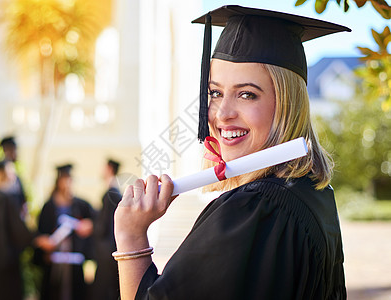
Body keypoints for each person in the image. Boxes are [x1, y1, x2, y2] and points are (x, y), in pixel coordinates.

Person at [113, 5, 349, 300]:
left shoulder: (257, 208)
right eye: (215, 92)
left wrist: (131, 236)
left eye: (247, 94)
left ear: (288, 103)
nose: (222, 114)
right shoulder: (312, 192)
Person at [0, 160, 54, 300]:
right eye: (10, 173)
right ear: (1, 175)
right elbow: (17, 229)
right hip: (4, 263)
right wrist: (36, 238)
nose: (13, 178)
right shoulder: (2, 199)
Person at [34, 163, 97, 300]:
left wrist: (89, 225)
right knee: (53, 291)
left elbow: (96, 222)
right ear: (58, 182)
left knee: (75, 292)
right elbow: (40, 232)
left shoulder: (81, 204)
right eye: (64, 179)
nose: (68, 183)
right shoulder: (49, 206)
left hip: (74, 259)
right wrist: (44, 244)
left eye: (70, 180)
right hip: (54, 258)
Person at [93, 159, 123, 300]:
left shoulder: (111, 193)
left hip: (107, 252)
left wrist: (91, 226)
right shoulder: (116, 192)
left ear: (110, 169)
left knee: (104, 291)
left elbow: (102, 226)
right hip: (112, 249)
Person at [0, 136, 27, 217]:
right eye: (13, 150)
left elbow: (23, 200)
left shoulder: (17, 178)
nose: (15, 153)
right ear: (6, 151)